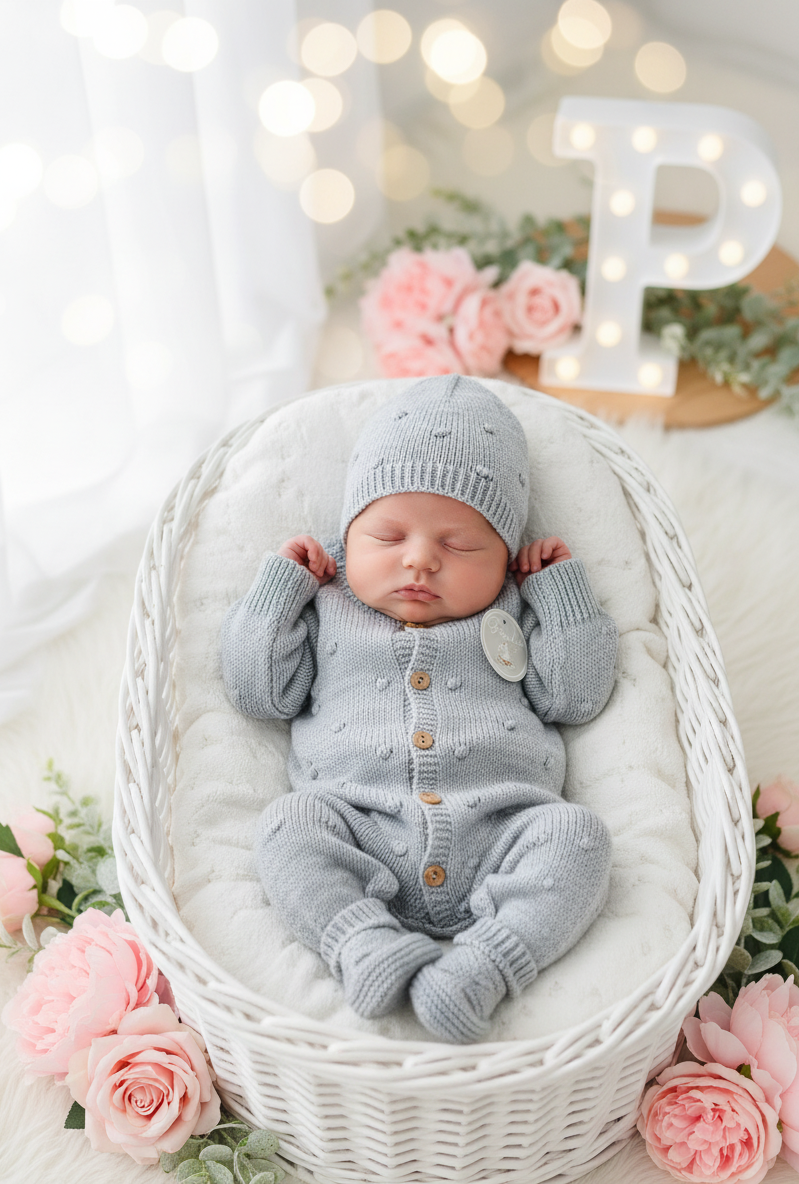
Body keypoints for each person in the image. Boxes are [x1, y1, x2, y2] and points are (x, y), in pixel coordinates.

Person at [221, 374, 618, 1042]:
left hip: (501, 830)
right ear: (348, 535)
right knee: (287, 827)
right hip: (358, 826)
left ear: (504, 558)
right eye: (387, 536)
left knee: (579, 838)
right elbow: (258, 692)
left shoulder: (515, 610)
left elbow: (575, 698)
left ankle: (484, 966)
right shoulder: (327, 606)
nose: (419, 561)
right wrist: (280, 590)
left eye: (460, 546)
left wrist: (559, 594)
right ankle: (363, 943)